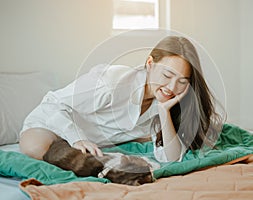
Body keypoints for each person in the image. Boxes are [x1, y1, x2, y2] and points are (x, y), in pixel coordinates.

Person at [19, 36, 222, 163]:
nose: (171, 87)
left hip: (95, 143)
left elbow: (170, 158)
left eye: (182, 81)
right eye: (167, 76)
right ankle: (83, 161)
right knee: (33, 146)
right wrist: (77, 138)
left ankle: (84, 160)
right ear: (150, 63)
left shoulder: (170, 103)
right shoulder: (111, 82)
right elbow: (56, 104)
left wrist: (164, 111)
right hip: (53, 123)